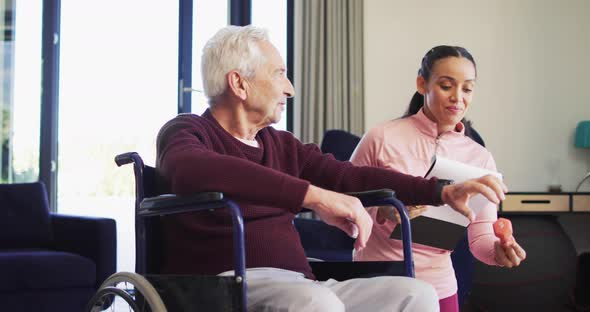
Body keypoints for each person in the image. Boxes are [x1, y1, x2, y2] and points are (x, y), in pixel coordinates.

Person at [155, 27, 507, 312]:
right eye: (279, 74)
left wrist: (438, 191)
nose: (289, 89)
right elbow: (191, 169)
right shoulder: (188, 132)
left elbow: (349, 176)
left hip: (301, 283)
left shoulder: (281, 144)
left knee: (416, 295)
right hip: (226, 284)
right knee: (318, 302)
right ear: (239, 83)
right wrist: (315, 197)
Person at [351, 45, 527, 312]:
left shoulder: (480, 158)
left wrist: (497, 252)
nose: (458, 97)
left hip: (440, 288)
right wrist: (383, 209)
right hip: (377, 279)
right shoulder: (381, 137)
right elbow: (341, 200)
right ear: (422, 84)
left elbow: (479, 238)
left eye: (467, 88)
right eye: (446, 86)